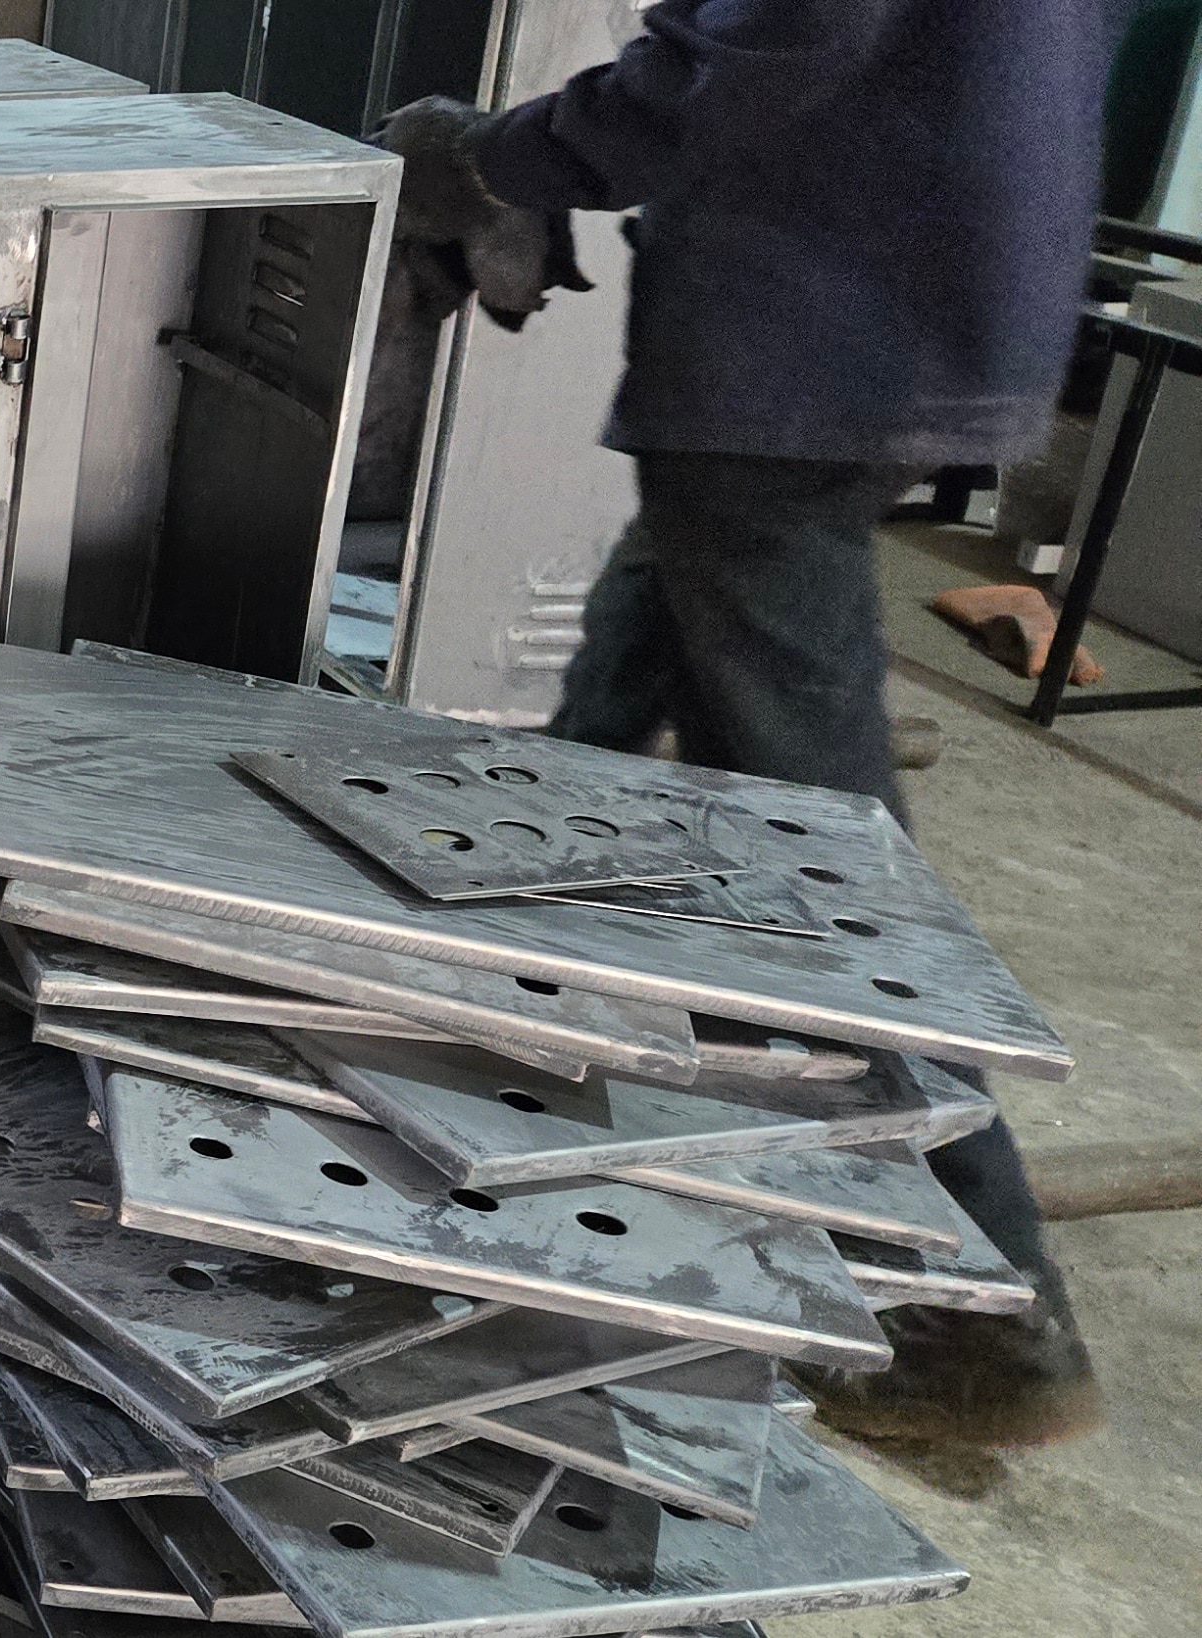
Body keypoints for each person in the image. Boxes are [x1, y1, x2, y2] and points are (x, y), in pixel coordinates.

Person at [382, 1, 1116, 1448]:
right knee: (603, 744)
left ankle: (979, 1311)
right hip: (871, 332)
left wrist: (497, 158)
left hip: (803, 353)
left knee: (816, 856)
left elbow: (765, 50)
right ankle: (493, 1126)